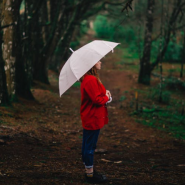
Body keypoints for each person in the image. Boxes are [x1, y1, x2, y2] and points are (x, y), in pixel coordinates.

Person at [80, 60, 111, 184]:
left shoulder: (90, 79)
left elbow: (97, 95)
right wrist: (107, 97)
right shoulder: (90, 80)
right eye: (98, 60)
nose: (101, 62)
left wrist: (105, 94)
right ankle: (90, 175)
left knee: (88, 144)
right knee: (89, 146)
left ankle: (89, 170)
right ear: (92, 64)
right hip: (92, 118)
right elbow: (97, 100)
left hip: (91, 117)